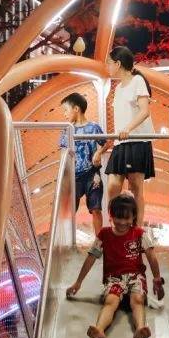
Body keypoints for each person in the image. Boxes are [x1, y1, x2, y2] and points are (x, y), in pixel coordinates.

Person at [66, 195, 164, 338]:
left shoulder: (139, 234)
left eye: (127, 218)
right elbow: (91, 258)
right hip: (114, 278)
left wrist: (157, 279)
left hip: (135, 276)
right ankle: (99, 329)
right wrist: (78, 282)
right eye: (118, 217)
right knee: (110, 301)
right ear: (110, 215)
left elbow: (152, 257)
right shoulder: (104, 235)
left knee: (137, 300)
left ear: (134, 217)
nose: (122, 222)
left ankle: (140, 328)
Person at [100, 46, 155, 227]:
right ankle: (115, 225)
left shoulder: (137, 81)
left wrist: (127, 129)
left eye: (109, 63)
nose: (107, 66)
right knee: (113, 185)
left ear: (118, 63)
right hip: (120, 142)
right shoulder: (117, 88)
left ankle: (137, 229)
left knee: (136, 187)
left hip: (137, 141)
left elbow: (145, 111)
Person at [60, 92, 106, 235]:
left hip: (92, 174)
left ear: (76, 109)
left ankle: (99, 242)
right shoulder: (67, 130)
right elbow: (63, 151)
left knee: (96, 208)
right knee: (69, 208)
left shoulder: (94, 127)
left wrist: (99, 152)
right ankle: (68, 239)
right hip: (74, 176)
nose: (64, 114)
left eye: (66, 110)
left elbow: (106, 143)